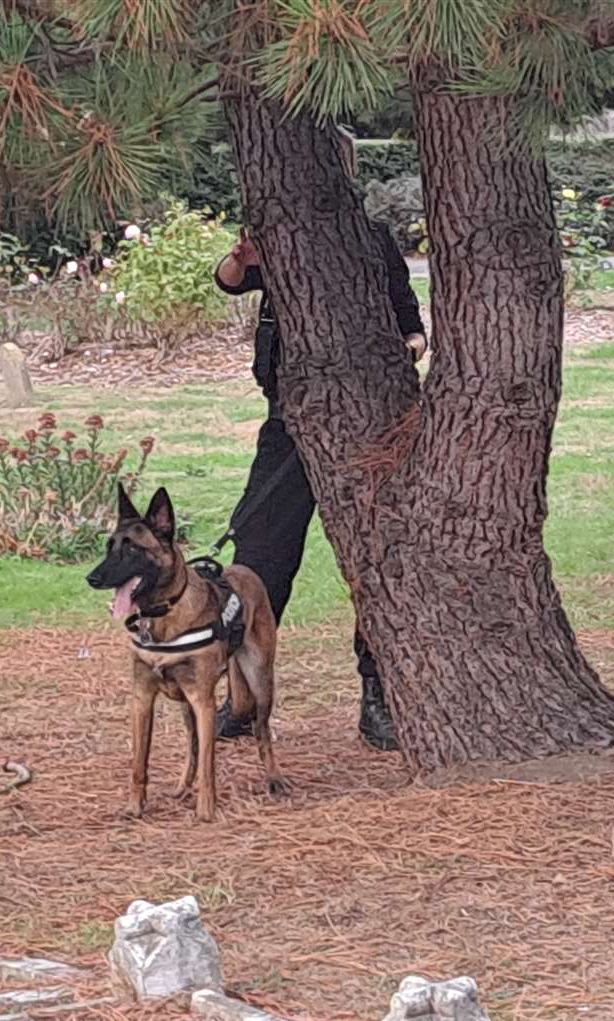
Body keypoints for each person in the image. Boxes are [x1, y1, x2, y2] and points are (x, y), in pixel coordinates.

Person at [212, 190, 426, 752]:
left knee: (373, 559)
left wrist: (403, 350)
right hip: (289, 424)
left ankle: (379, 699)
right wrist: (242, 257)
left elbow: (412, 322)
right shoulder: (280, 237)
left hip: (369, 429)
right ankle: (241, 697)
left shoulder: (373, 239)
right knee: (259, 556)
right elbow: (230, 279)